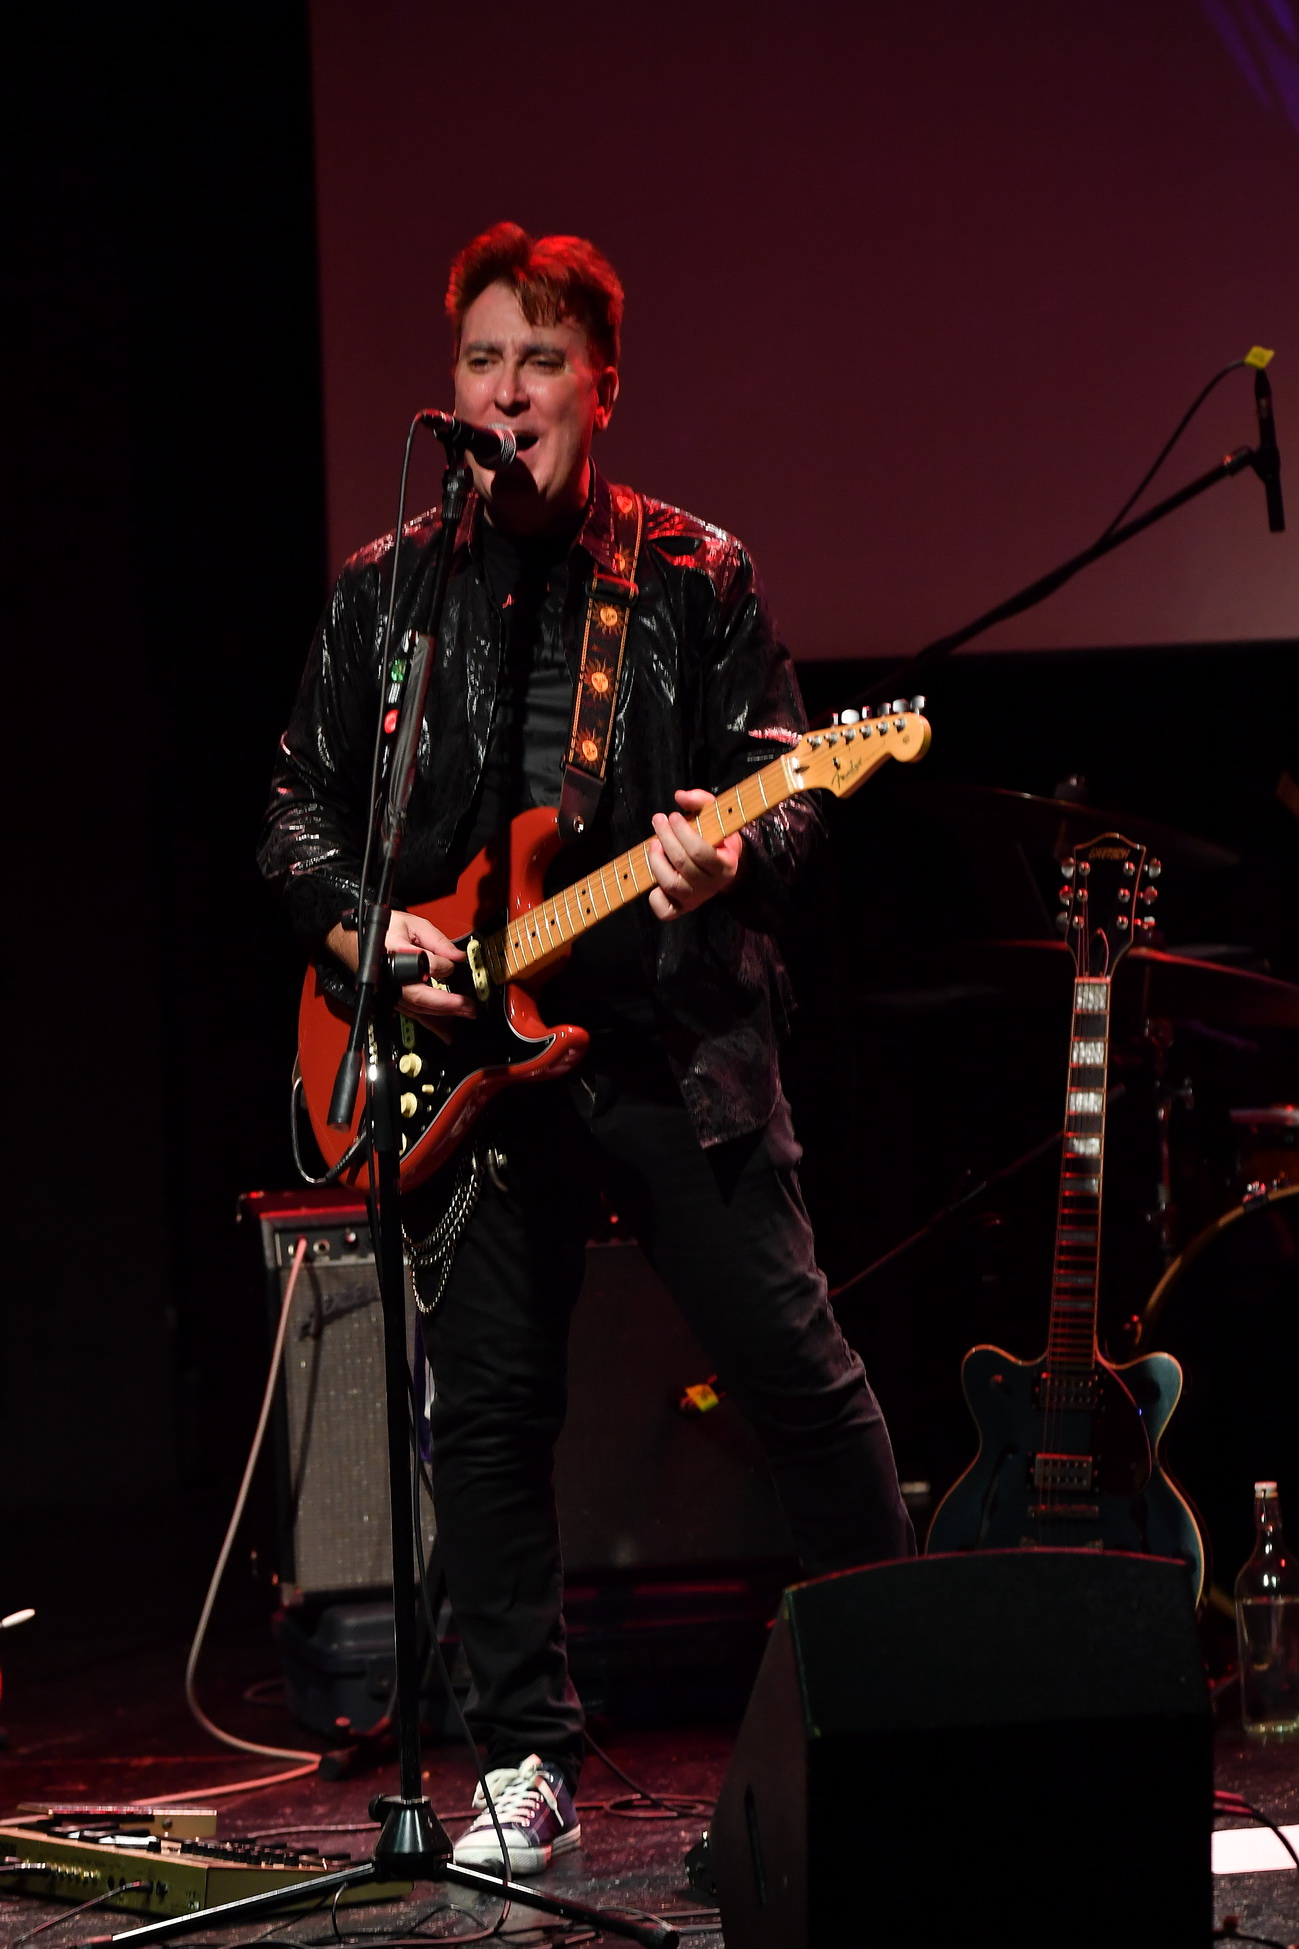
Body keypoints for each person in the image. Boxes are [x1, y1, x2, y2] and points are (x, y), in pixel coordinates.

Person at [259, 222, 914, 1877]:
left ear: (600, 388)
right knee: (484, 1416)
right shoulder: (389, 589)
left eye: (539, 360)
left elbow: (790, 778)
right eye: (482, 359)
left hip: (674, 1044)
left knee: (803, 1381)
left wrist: (733, 847)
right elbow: (293, 812)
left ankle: (894, 1716)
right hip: (475, 1056)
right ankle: (524, 1757)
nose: (506, 389)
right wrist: (371, 937)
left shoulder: (694, 573)